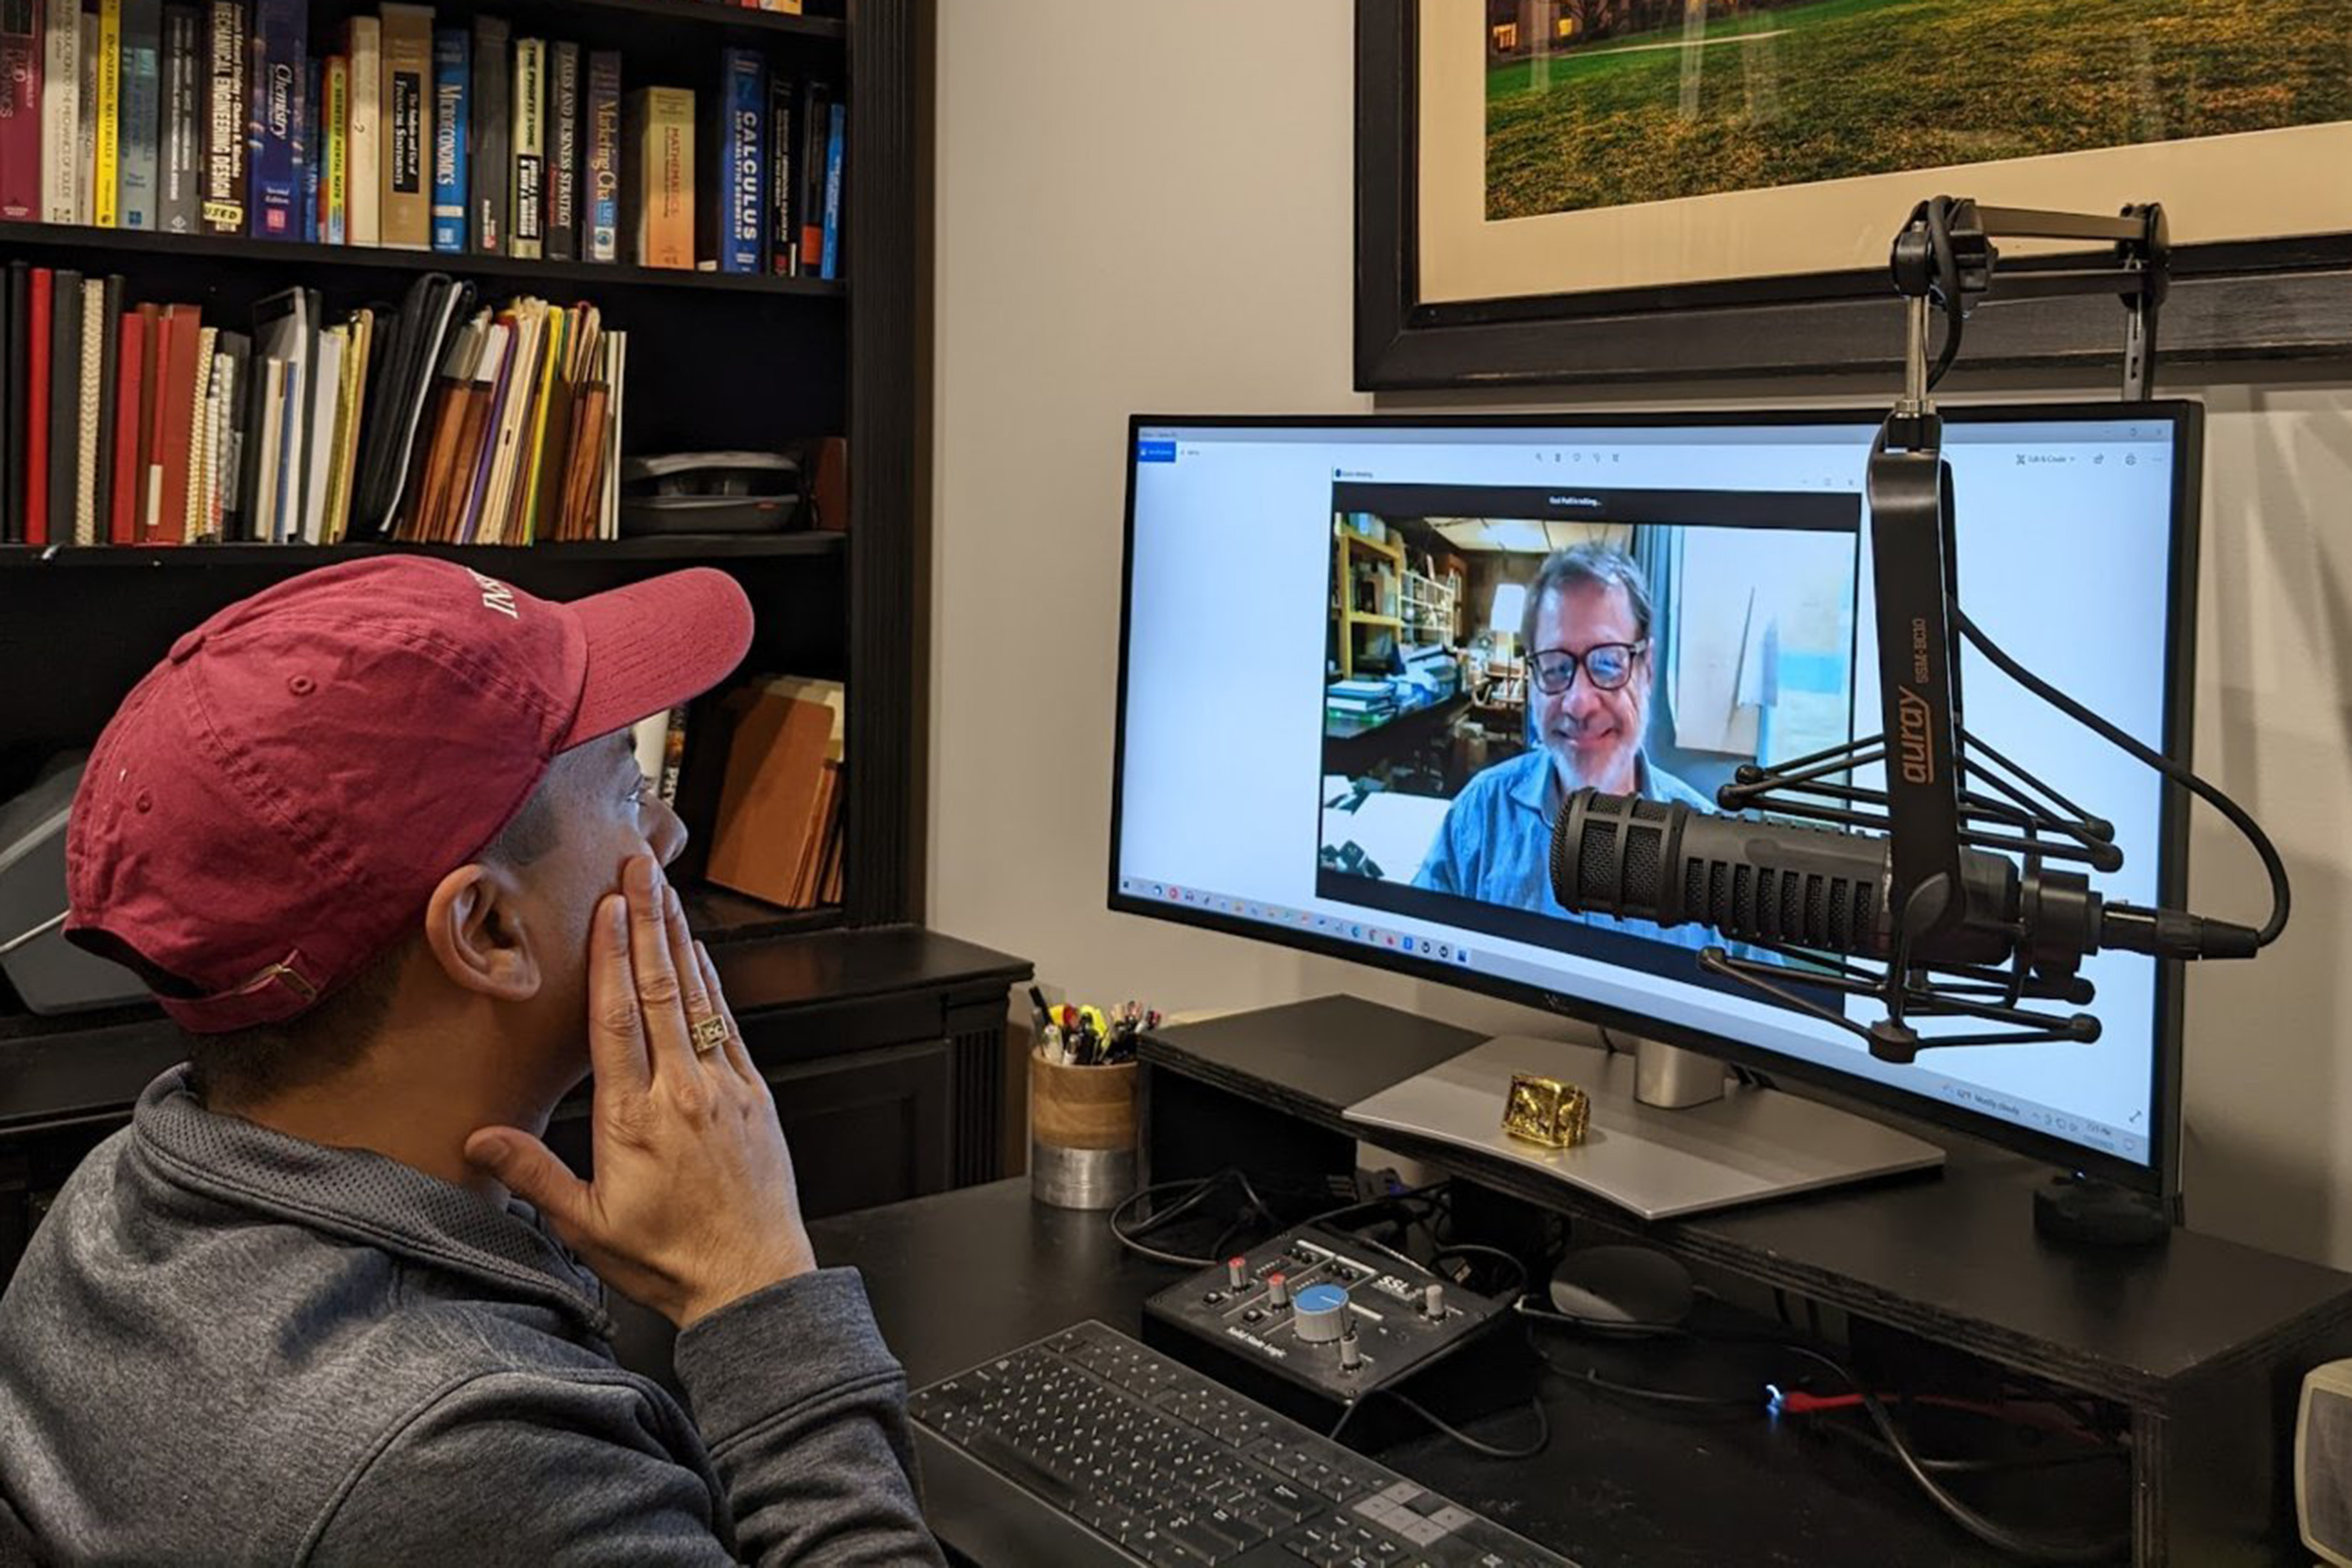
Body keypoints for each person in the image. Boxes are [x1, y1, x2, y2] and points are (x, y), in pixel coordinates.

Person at [0, 558, 942, 1565]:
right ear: (488, 930)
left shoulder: (115, 1197)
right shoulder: (463, 1459)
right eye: (629, 793)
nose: (670, 835)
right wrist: (758, 1289)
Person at [1414, 542, 1723, 950]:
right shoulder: (1479, 816)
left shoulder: (1717, 853)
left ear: (1646, 670)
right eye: (1557, 667)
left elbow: (1767, 1007)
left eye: (1609, 663)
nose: (1579, 703)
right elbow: (1419, 966)